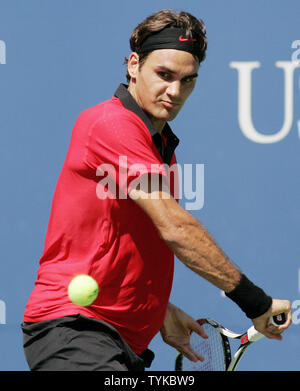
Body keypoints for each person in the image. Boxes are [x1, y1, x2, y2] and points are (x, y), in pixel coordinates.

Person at [22, 9, 291, 371]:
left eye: (188, 80)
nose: (175, 91)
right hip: (75, 332)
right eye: (164, 75)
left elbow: (119, 238)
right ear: (134, 65)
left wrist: (157, 310)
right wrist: (255, 303)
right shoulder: (112, 124)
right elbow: (176, 228)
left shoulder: (161, 145)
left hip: (119, 341)